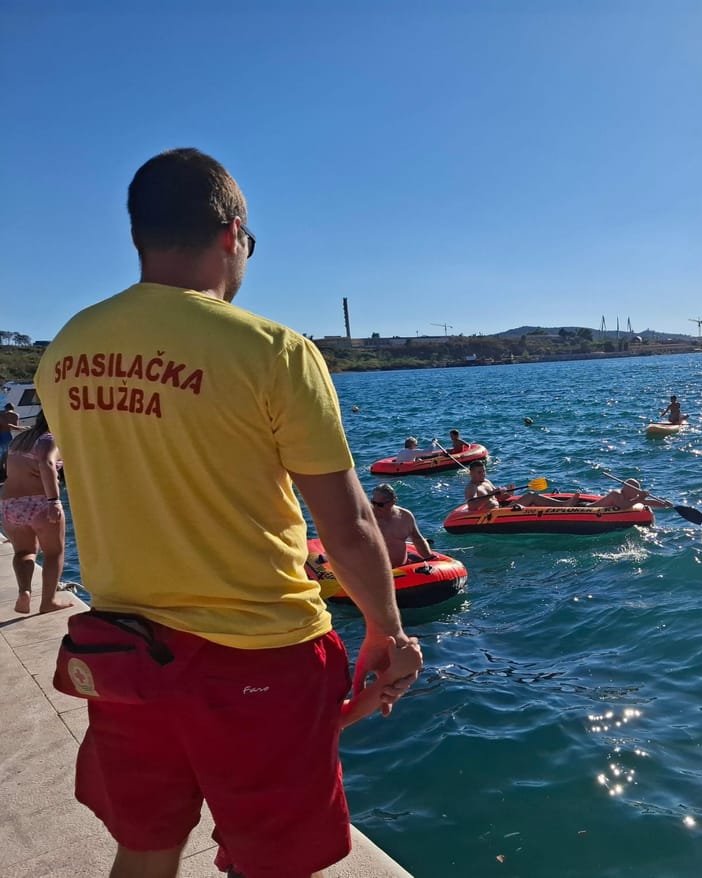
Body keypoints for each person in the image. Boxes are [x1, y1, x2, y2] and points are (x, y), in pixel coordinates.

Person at [35, 148, 422, 878]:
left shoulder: (67, 351)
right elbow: (347, 524)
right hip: (259, 656)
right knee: (273, 862)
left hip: (125, 650)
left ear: (139, 237)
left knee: (144, 848)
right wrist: (386, 629)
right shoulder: (273, 351)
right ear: (231, 235)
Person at [0, 411, 73, 615]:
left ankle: (25, 591)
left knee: (24, 552)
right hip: (40, 502)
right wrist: (54, 501)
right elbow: (46, 463)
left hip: (10, 504)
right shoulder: (50, 439)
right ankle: (48, 602)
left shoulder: (22, 439)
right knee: (53, 553)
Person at [464, 459, 573, 510]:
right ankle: (563, 505)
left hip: (501, 508)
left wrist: (509, 494)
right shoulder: (472, 487)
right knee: (530, 495)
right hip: (494, 514)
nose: (483, 474)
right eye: (479, 472)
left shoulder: (486, 481)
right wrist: (492, 493)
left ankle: (570, 505)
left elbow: (497, 497)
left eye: (484, 471)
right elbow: (472, 506)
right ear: (471, 473)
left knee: (532, 501)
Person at [370, 484, 434, 567]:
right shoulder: (367, 518)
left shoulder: (405, 516)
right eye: (373, 502)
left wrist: (430, 558)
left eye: (380, 504)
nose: (375, 507)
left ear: (393, 501)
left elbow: (417, 539)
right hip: (375, 571)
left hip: (403, 568)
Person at [586, 478, 670, 509]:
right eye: (636, 490)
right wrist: (639, 498)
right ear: (628, 489)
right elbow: (623, 506)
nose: (638, 492)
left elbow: (648, 502)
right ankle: (573, 501)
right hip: (586, 508)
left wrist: (664, 504)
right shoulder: (616, 494)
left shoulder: (632, 498)